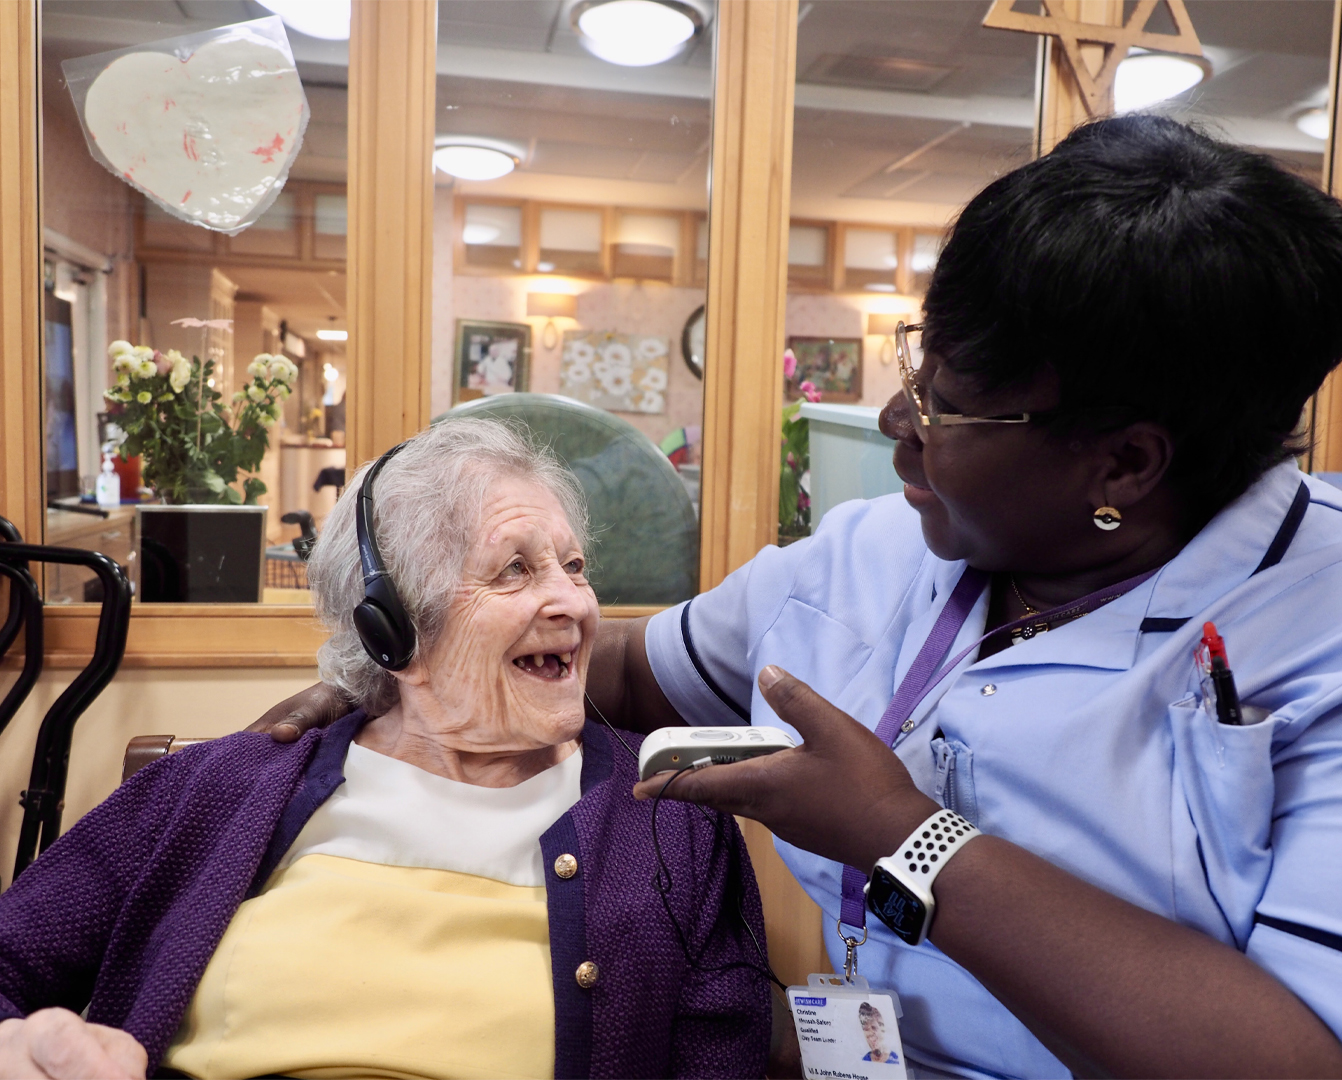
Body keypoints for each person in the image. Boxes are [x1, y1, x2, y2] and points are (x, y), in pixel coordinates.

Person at [258, 117, 1342, 1078]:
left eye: (949, 407)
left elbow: (1298, 1055)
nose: (894, 422)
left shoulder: (1314, 632)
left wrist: (903, 836)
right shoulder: (869, 558)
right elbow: (630, 673)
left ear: (1123, 466)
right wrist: (403, 682)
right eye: (918, 368)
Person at [0, 419, 770, 1080]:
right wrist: (22, 1042)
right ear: (391, 625)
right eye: (515, 569)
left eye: (574, 567)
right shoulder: (215, 788)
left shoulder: (671, 824)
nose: (572, 602)